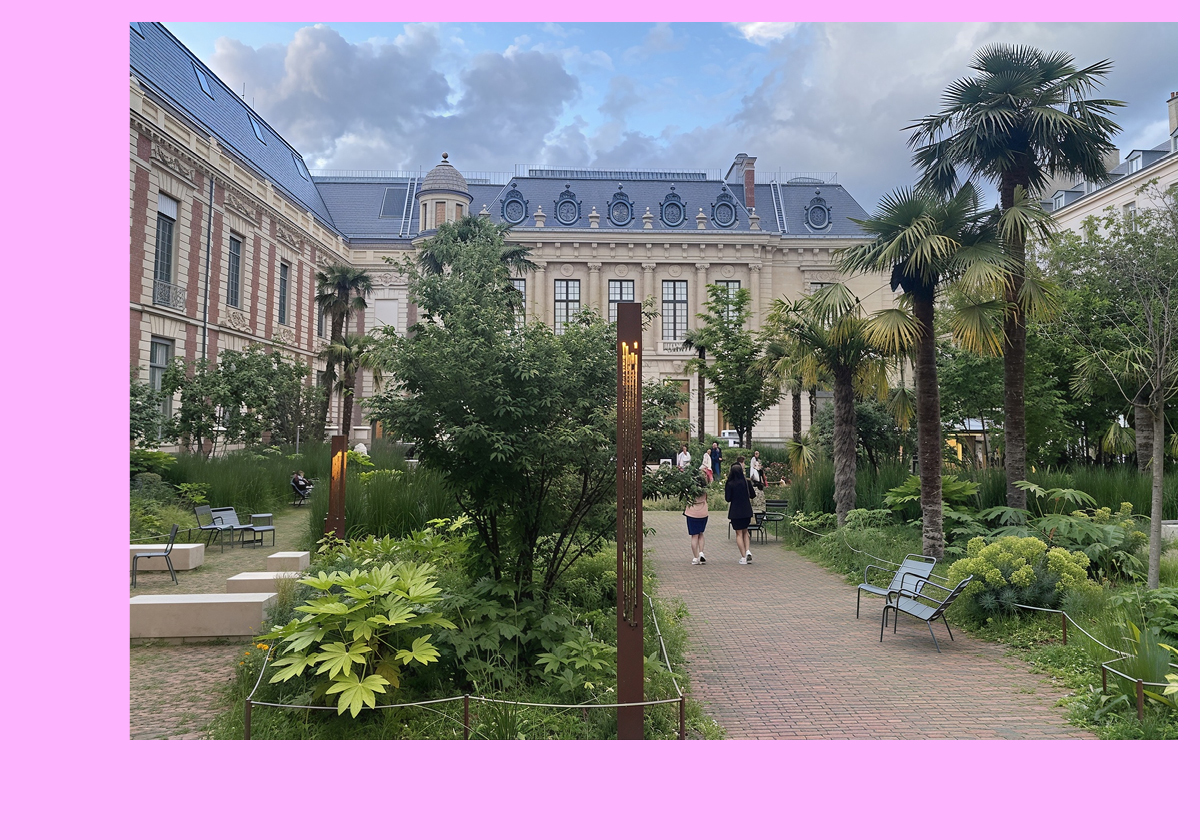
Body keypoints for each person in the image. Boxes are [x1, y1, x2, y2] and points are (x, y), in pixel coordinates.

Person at [724, 462, 756, 564]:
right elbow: (753, 495)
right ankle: (748, 550)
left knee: (738, 534)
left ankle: (743, 557)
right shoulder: (747, 482)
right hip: (746, 510)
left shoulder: (730, 484)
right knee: (745, 531)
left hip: (735, 512)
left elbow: (728, 498)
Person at [683, 467, 712, 565]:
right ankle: (701, 552)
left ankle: (695, 557)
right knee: (701, 534)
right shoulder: (705, 489)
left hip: (691, 512)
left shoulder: (690, 488)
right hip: (703, 512)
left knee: (694, 536)